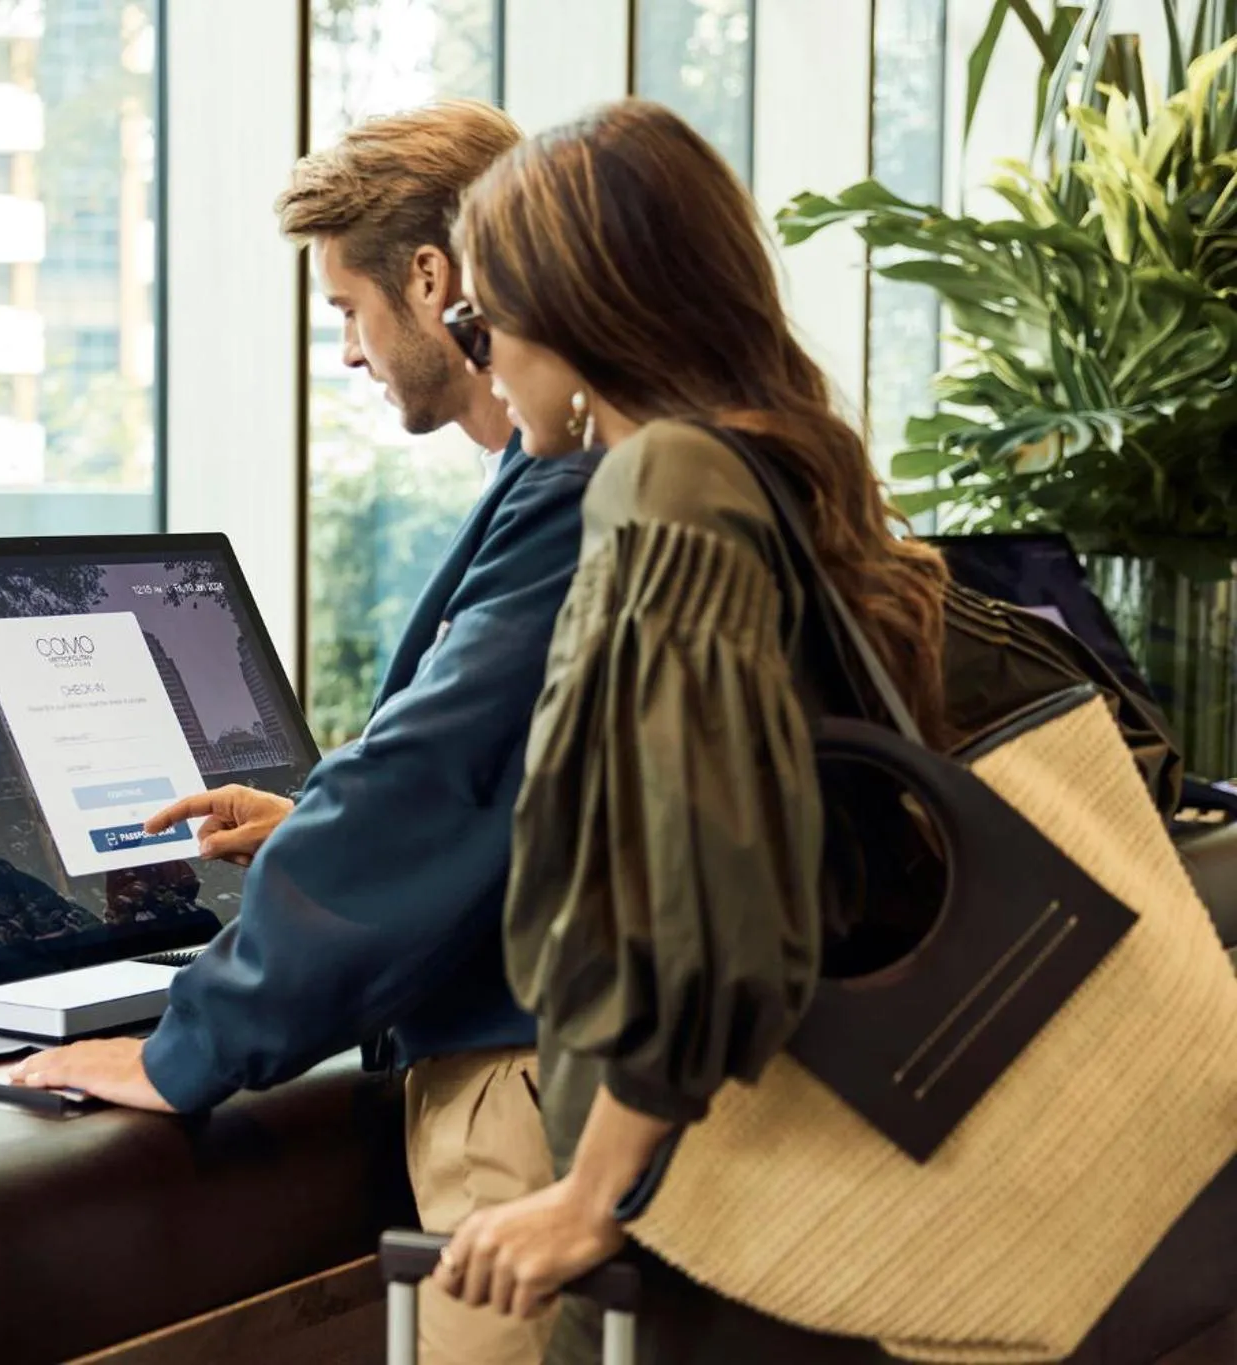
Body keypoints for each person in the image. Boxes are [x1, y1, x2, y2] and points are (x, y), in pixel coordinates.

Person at [423, 100, 1184, 1363]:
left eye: (477, 316)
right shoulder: (778, 465)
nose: (477, 352)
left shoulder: (662, 480)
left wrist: (589, 1189)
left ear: (577, 305)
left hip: (721, 1199)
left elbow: (711, 866)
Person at [10, 99, 601, 1365]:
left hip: (522, 1084)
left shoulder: (573, 492)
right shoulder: (564, 481)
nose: (344, 351)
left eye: (345, 308)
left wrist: (182, 1054)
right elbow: (524, 777)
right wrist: (311, 823)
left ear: (432, 281)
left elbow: (438, 781)